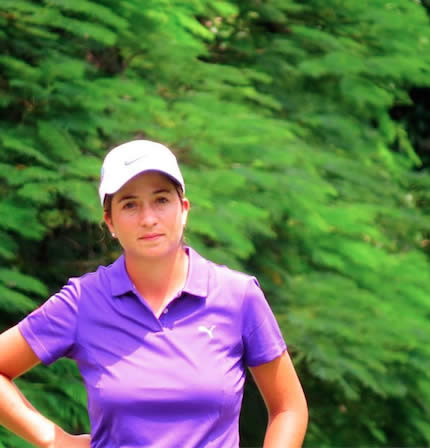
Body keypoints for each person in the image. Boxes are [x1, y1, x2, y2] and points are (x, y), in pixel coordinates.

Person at [0, 140, 308, 448]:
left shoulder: (237, 296)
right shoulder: (83, 301)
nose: (148, 219)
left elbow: (289, 408)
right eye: (130, 205)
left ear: (183, 209)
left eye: (161, 200)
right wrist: (55, 440)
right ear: (110, 222)